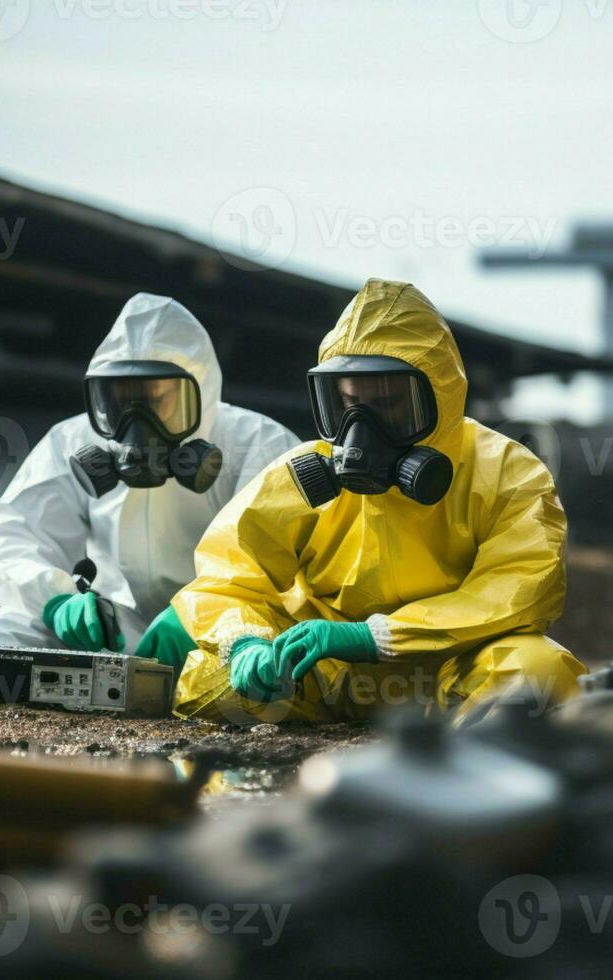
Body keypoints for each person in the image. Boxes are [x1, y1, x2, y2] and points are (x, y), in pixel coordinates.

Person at [167, 279, 586, 722]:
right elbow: (228, 572)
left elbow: (518, 590)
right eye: (349, 403)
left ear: (437, 398)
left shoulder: (508, 473)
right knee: (210, 677)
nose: (360, 430)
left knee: (540, 675)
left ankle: (469, 768)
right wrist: (246, 642)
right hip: (318, 673)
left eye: (386, 404)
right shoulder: (304, 474)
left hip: (450, 674)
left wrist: (375, 637)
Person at [0, 293, 297, 665]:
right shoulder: (73, 441)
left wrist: (205, 613)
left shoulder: (258, 445)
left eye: (156, 401)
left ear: (199, 391)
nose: (136, 425)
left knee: (260, 671)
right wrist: (57, 600)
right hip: (117, 632)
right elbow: (14, 536)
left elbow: (287, 563)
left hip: (225, 633)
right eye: (120, 402)